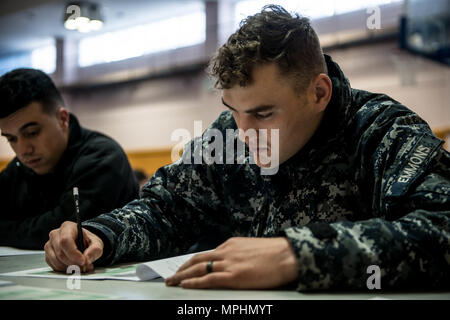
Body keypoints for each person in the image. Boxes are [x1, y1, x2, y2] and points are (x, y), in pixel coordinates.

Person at [44, 5, 449, 291]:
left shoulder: (382, 131)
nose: (243, 132)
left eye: (263, 113)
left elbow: (441, 227)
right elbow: (166, 209)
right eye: (233, 111)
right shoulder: (231, 132)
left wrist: (296, 256)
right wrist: (101, 235)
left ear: (319, 93)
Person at [0, 68, 139, 249]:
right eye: (11, 138)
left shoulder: (103, 158)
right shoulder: (21, 166)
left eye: (32, 133)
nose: (23, 149)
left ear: (62, 119)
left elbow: (59, 232)